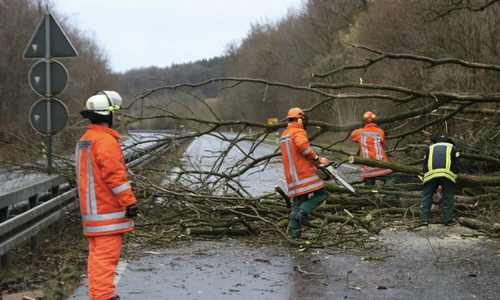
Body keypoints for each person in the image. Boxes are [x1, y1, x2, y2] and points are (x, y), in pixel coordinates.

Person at [76, 90, 139, 300]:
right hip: (107, 213)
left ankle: (98, 296)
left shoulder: (85, 140)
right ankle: (104, 297)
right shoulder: (105, 141)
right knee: (105, 261)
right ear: (109, 115)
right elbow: (114, 176)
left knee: (96, 260)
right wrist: (129, 202)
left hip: (92, 214)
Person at [280, 107, 330, 240]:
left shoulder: (285, 134)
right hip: (303, 174)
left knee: (297, 204)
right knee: (322, 194)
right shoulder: (298, 132)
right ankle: (303, 213)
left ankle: (296, 235)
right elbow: (303, 148)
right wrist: (318, 159)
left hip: (292, 177)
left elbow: (299, 155)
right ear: (300, 120)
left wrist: (317, 164)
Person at [419, 135, 461, 226]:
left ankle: (424, 219)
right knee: (448, 196)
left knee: (427, 195)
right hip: (447, 174)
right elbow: (457, 165)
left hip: (430, 174)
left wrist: (426, 174)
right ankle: (448, 220)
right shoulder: (453, 148)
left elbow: (425, 163)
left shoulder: (430, 148)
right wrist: (454, 178)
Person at [350, 111, 395, 187]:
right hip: (381, 164)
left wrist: (362, 128)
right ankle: (390, 197)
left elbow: (353, 137)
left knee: (369, 187)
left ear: (364, 121)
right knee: (390, 179)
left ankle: (369, 197)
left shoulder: (358, 132)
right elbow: (382, 142)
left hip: (367, 167)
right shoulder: (380, 132)